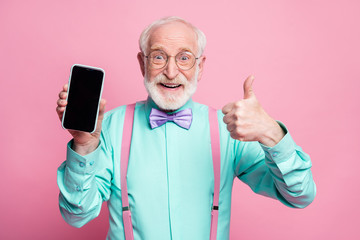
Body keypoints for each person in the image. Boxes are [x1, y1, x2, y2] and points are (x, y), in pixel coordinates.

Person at [56, 16, 316, 240]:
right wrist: (84, 145)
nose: (171, 71)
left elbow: (299, 195)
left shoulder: (229, 129)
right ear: (142, 63)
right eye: (159, 57)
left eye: (184, 58)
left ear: (200, 67)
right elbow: (76, 214)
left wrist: (271, 133)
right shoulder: (109, 128)